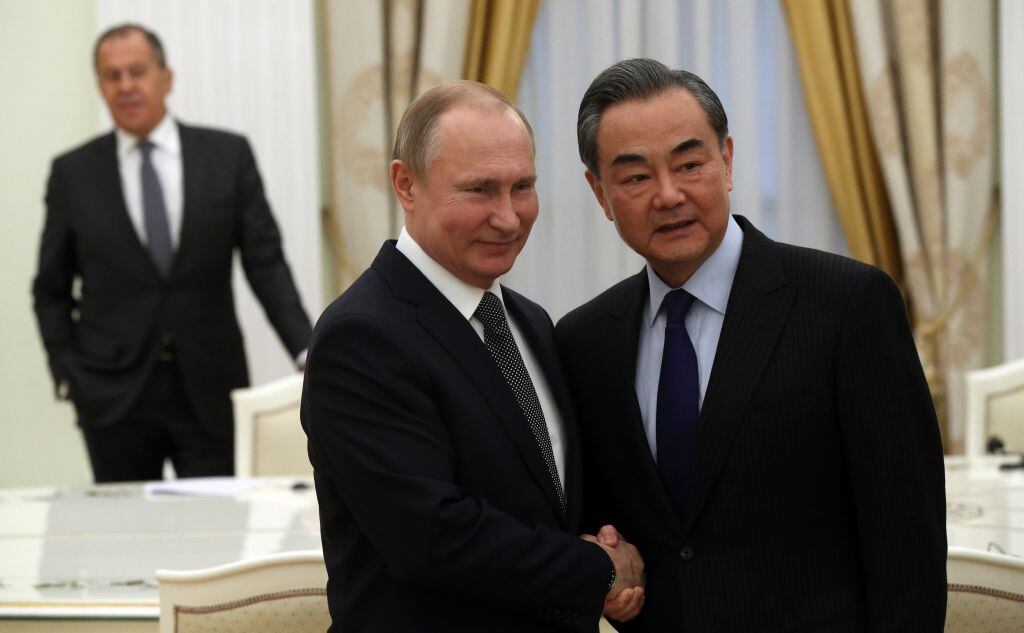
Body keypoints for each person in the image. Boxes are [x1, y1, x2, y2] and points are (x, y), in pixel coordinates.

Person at [555, 58, 947, 632]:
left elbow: (906, 538)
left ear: (728, 161)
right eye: (636, 177)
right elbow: (602, 521)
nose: (668, 195)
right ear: (599, 192)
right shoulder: (584, 340)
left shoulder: (847, 304)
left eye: (690, 164)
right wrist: (602, 558)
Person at [301, 80, 645, 632]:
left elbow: (546, 496)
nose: (509, 218)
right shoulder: (361, 336)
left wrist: (608, 553)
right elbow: (431, 537)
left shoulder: (528, 320)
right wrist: (595, 570)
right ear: (405, 184)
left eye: (523, 187)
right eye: (480, 190)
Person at [32, 24, 312, 483]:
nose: (126, 86)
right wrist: (68, 374)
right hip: (111, 395)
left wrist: (306, 349)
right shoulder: (73, 173)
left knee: (217, 532)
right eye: (111, 75)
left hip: (209, 384)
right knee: (123, 539)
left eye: (137, 71)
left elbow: (265, 263)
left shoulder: (227, 156)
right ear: (100, 86)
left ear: (166, 77)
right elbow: (50, 288)